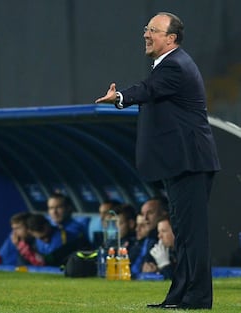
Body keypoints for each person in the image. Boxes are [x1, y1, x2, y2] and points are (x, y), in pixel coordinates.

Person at [95, 12, 220, 309]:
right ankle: (180, 296)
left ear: (170, 38)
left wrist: (120, 97)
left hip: (191, 162)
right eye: (146, 28)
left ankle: (198, 298)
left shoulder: (175, 65)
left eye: (153, 30)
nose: (146, 34)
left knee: (192, 236)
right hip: (182, 163)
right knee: (185, 235)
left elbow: (147, 90)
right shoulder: (168, 65)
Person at [142, 215, 176, 279]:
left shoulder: (186, 253)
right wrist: (156, 269)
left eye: (164, 231)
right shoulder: (167, 252)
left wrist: (165, 265)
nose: (159, 236)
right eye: (159, 232)